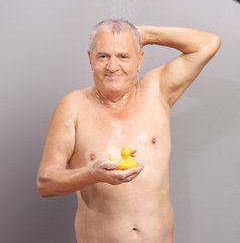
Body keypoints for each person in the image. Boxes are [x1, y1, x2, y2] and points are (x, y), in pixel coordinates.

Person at [36, 19, 221, 243]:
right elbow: (45, 182)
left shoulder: (157, 90)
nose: (112, 67)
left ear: (139, 60)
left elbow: (208, 43)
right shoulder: (73, 106)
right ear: (90, 59)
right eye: (103, 56)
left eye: (123, 56)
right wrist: (91, 174)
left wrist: (142, 34)